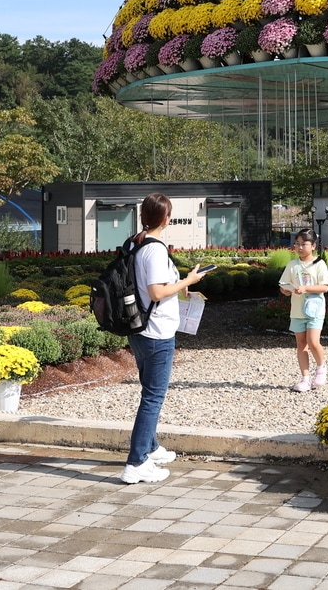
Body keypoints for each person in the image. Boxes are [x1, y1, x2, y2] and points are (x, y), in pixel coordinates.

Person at [121, 192, 214, 485]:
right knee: (152, 397)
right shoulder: (155, 250)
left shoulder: (135, 242)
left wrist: (181, 284)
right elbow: (158, 292)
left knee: (149, 391)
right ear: (166, 218)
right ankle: (136, 462)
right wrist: (189, 281)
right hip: (157, 331)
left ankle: (150, 448)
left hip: (138, 328)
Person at [278, 228, 328, 393]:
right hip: (297, 311)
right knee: (301, 344)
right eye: (297, 244)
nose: (300, 247)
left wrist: (306, 288)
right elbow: (283, 285)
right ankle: (305, 379)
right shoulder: (292, 265)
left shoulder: (319, 264)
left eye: (304, 244)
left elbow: (325, 287)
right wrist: (285, 290)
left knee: (313, 341)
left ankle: (321, 367)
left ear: (313, 246)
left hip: (315, 310)